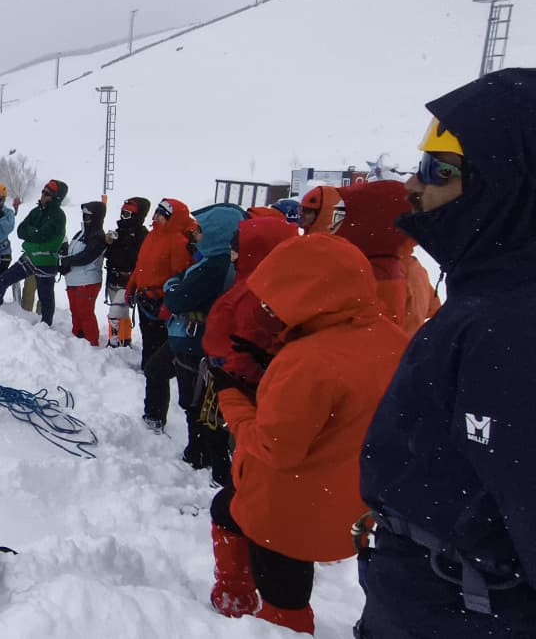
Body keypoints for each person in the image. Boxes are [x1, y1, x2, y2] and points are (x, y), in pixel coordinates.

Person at [358, 69, 536, 636]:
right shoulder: (491, 296)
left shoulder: (510, 325)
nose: (413, 186)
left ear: (505, 183)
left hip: (460, 607)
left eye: (439, 169)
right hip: (442, 598)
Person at [209, 234, 408, 634]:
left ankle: (251, 606)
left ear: (306, 291)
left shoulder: (309, 361)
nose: (269, 307)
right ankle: (241, 597)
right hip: (349, 494)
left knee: (285, 601)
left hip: (288, 509)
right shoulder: (393, 338)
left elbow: (275, 448)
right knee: (224, 507)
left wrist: (230, 397)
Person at [198, 217, 299, 485]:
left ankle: (229, 483)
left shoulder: (256, 294)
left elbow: (250, 342)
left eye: (236, 247)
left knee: (227, 436)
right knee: (218, 433)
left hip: (238, 384)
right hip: (232, 376)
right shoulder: (254, 284)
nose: (231, 254)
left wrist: (230, 381)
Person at [147, 203, 246, 458]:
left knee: (194, 402)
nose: (196, 235)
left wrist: (171, 286)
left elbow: (178, 299)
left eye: (201, 230)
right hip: (189, 338)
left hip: (194, 342)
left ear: (216, 233)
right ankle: (198, 450)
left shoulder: (215, 266)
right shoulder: (216, 261)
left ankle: (198, 454)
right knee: (189, 395)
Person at [333, 180, 440, 335]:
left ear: (369, 222)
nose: (332, 226)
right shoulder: (412, 266)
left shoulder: (380, 274)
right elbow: (432, 308)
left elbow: (372, 339)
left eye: (341, 217)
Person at [125, 199, 194, 373]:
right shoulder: (152, 235)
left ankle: (159, 373)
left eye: (161, 215)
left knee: (159, 341)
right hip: (144, 298)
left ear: (172, 218)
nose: (156, 217)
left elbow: (181, 276)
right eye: (156, 213)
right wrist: (131, 286)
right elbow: (141, 265)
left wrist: (169, 304)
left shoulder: (178, 242)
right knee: (148, 337)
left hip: (160, 301)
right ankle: (146, 368)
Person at [0, 180, 68, 325]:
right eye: (43, 192)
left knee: (45, 299)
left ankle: (45, 329)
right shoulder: (36, 211)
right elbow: (21, 230)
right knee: (2, 281)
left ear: (56, 198)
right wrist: (33, 236)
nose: (44, 195)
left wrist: (30, 238)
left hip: (46, 263)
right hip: (29, 258)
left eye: (48, 194)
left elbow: (42, 236)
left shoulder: (58, 216)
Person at [104, 197, 151, 348]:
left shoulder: (143, 236)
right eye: (122, 213)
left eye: (127, 214)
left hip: (129, 280)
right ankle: (124, 341)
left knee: (115, 312)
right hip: (113, 277)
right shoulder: (118, 233)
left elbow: (139, 259)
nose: (123, 217)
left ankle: (114, 342)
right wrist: (108, 244)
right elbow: (109, 255)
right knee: (121, 313)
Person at [60, 201, 108, 345]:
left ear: (96, 218)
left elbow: (87, 257)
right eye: (84, 216)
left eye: (88, 216)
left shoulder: (98, 236)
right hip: (74, 280)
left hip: (87, 281)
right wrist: (64, 261)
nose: (85, 219)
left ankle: (92, 344)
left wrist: (68, 261)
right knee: (76, 312)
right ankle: (78, 341)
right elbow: (73, 253)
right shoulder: (81, 233)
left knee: (85, 314)